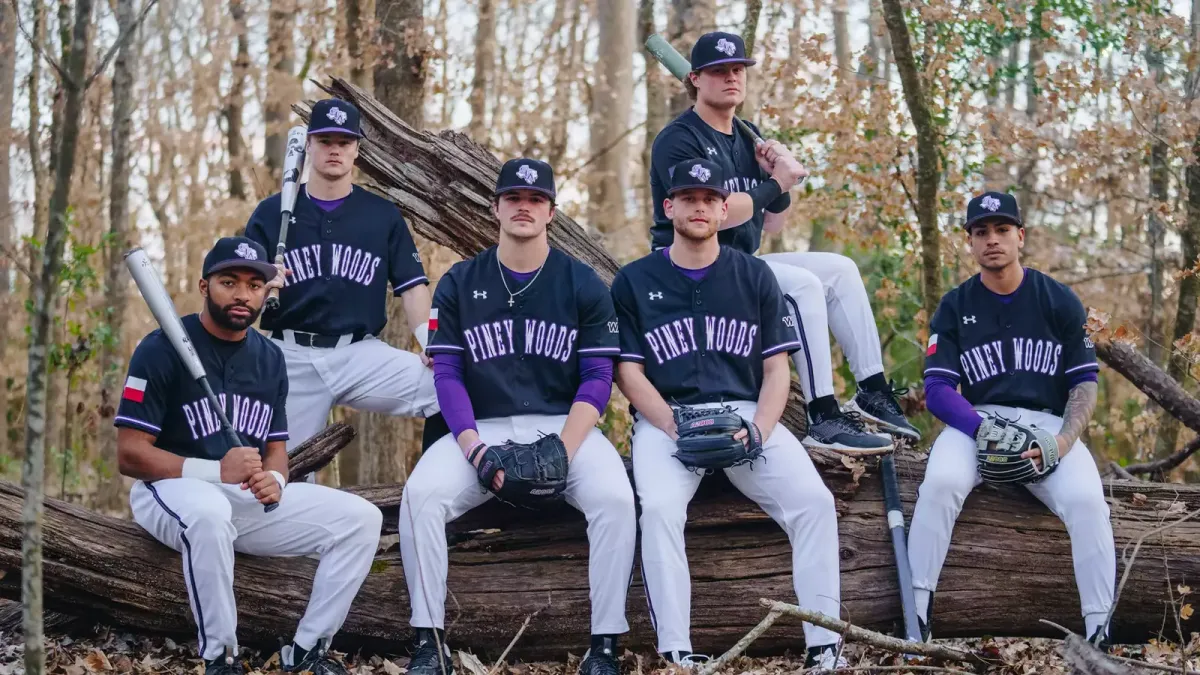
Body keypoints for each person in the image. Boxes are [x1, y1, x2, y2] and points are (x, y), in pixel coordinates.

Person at [398, 159, 637, 675]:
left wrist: (563, 450)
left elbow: (598, 376)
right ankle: (428, 641)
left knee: (617, 499)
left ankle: (605, 646)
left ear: (551, 211)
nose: (524, 206)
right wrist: (473, 450)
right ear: (496, 207)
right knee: (420, 495)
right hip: (481, 427)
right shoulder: (460, 281)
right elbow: (448, 376)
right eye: (514, 198)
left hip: (564, 424)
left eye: (535, 199)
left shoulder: (582, 283)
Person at [613, 158, 847, 672]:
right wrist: (676, 427)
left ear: (726, 210)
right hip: (665, 418)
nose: (700, 207)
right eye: (688, 198)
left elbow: (777, 371)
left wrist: (759, 431)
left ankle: (825, 643)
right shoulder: (632, 281)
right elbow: (627, 374)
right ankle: (676, 650)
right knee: (658, 511)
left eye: (710, 199)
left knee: (813, 502)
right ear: (668, 206)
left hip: (746, 414)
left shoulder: (756, 275)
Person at [115, 237, 383, 675]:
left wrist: (275, 481)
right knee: (209, 513)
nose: (243, 294)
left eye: (255, 285)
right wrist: (214, 470)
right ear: (204, 286)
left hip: (240, 497)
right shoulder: (160, 348)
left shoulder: (270, 358)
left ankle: (308, 649)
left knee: (361, 519)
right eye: (229, 281)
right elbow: (130, 455)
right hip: (171, 492)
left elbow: (275, 449)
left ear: (266, 292)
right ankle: (221, 657)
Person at [648, 31, 918, 453]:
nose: (731, 77)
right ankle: (823, 415)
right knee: (802, 286)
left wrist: (782, 178)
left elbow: (772, 222)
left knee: (840, 270)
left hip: (738, 261)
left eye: (737, 69)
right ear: (696, 79)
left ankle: (872, 388)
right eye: (719, 71)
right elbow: (714, 215)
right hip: (688, 269)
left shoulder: (746, 134)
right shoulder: (679, 139)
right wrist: (775, 181)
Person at [910, 191, 1116, 645]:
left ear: (1020, 236)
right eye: (981, 232)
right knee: (941, 484)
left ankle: (1100, 628)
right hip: (975, 421)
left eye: (1002, 229)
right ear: (969, 242)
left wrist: (1061, 443)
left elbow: (1084, 385)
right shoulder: (954, 305)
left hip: (1047, 424)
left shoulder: (1059, 299)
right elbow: (938, 390)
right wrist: (984, 430)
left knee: (1086, 502)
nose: (992, 240)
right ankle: (916, 613)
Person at [243, 98, 445, 471]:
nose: (334, 149)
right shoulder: (273, 213)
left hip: (360, 354)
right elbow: (237, 297)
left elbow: (413, 287)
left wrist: (431, 343)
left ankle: (436, 488)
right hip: (290, 356)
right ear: (309, 145)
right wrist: (259, 284)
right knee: (282, 472)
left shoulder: (381, 215)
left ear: (356, 150)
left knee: (449, 388)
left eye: (344, 142)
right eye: (325, 140)